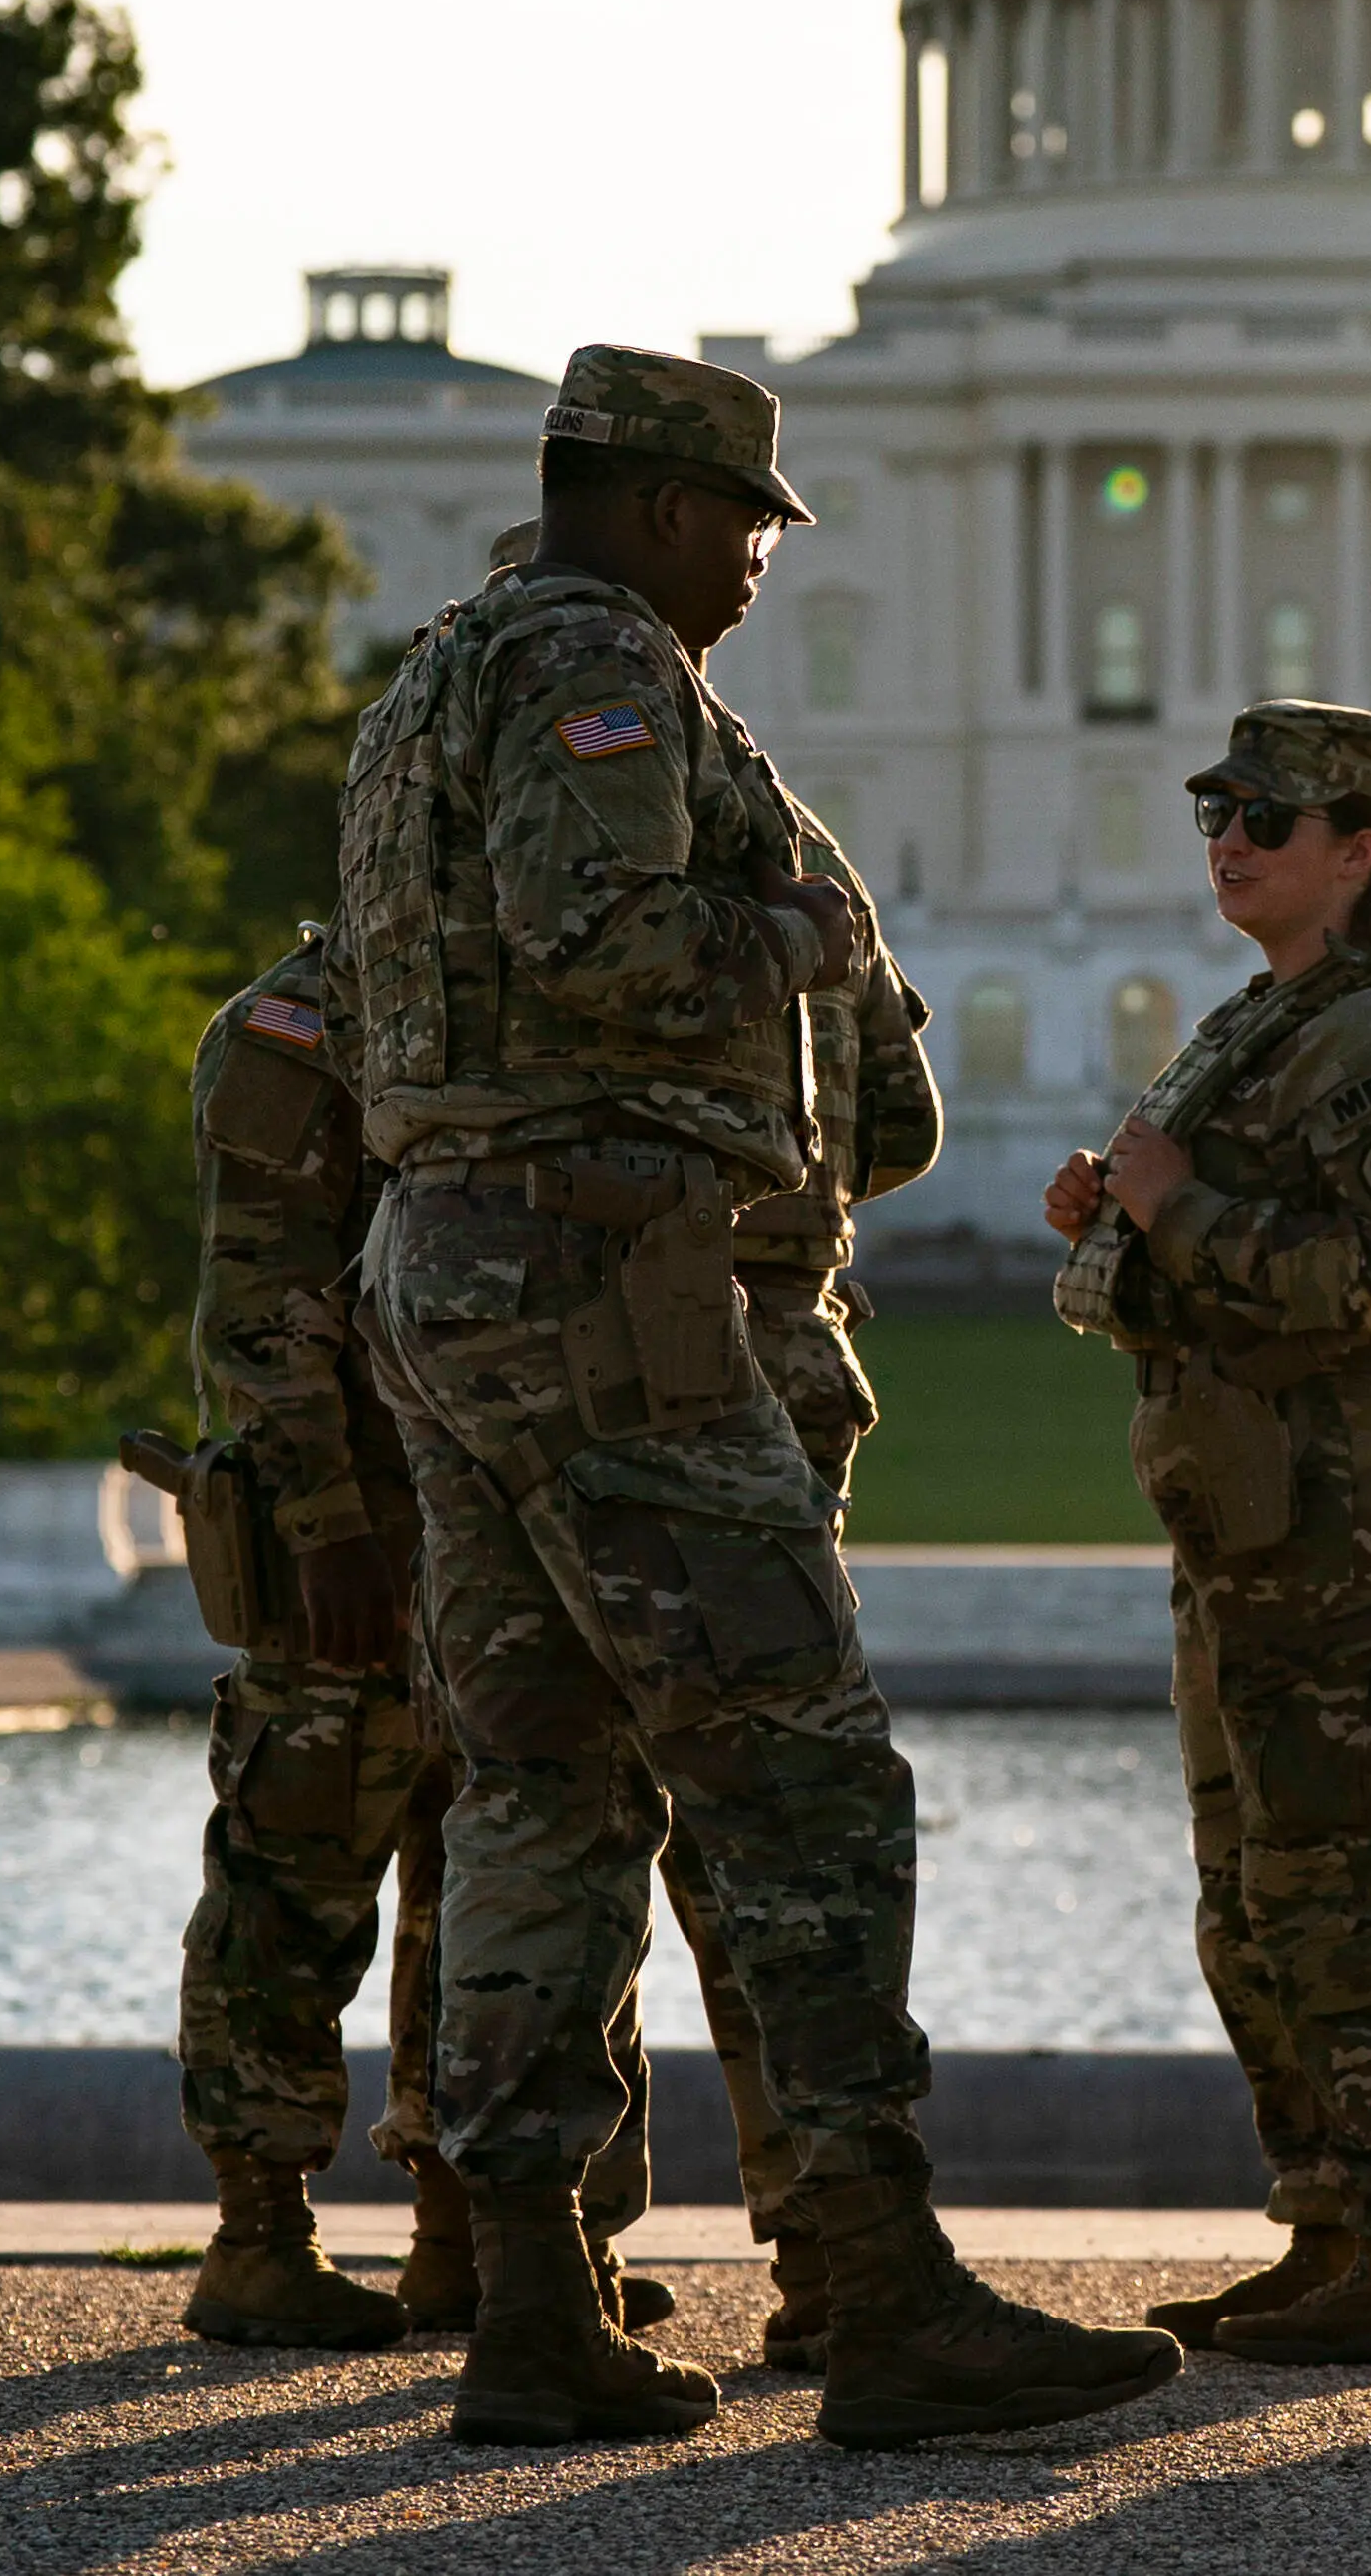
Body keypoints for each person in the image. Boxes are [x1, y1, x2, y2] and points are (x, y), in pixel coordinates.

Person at [337, 341, 1179, 2452]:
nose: (753, 573)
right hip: (611, 1278)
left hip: (452, 1262)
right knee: (798, 1777)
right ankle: (882, 2292)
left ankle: (529, 2295)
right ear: (648, 507)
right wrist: (795, 939)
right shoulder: (596, 666)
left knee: (540, 1786)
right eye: (740, 528)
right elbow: (601, 935)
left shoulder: (429, 677)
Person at [1040, 700, 1371, 2371]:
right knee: (1250, 1889)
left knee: (1344, 1880)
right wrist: (1125, 1207)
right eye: (1216, 807)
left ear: (1362, 846)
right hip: (1255, 1506)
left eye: (1270, 812)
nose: (1230, 836)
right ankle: (1326, 2223)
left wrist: (1175, 1203)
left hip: (1356, 1514)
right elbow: (1233, 1220)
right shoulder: (1276, 1018)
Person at [160, 916, 670, 2352]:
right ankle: (259, 2235)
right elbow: (255, 1310)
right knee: (299, 1867)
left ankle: (472, 2231)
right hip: (356, 1536)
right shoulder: (297, 1023)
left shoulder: (514, 997)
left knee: (499, 1875)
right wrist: (324, 1525)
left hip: (495, 1514)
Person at [686, 764, 936, 2372]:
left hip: (542, 1347)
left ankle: (509, 2252)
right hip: (775, 1358)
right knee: (772, 1817)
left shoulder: (492, 818)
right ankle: (825, 2245)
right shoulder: (806, 855)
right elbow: (903, 1124)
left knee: (536, 1799)